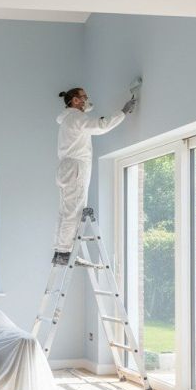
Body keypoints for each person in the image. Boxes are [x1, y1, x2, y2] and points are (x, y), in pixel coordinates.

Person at [52, 85, 137, 265]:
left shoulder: (68, 118)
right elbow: (101, 125)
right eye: (83, 97)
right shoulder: (77, 117)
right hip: (76, 167)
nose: (86, 100)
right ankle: (66, 253)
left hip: (65, 168)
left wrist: (85, 104)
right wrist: (123, 111)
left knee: (65, 211)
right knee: (74, 211)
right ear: (75, 101)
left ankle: (61, 250)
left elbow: (86, 109)